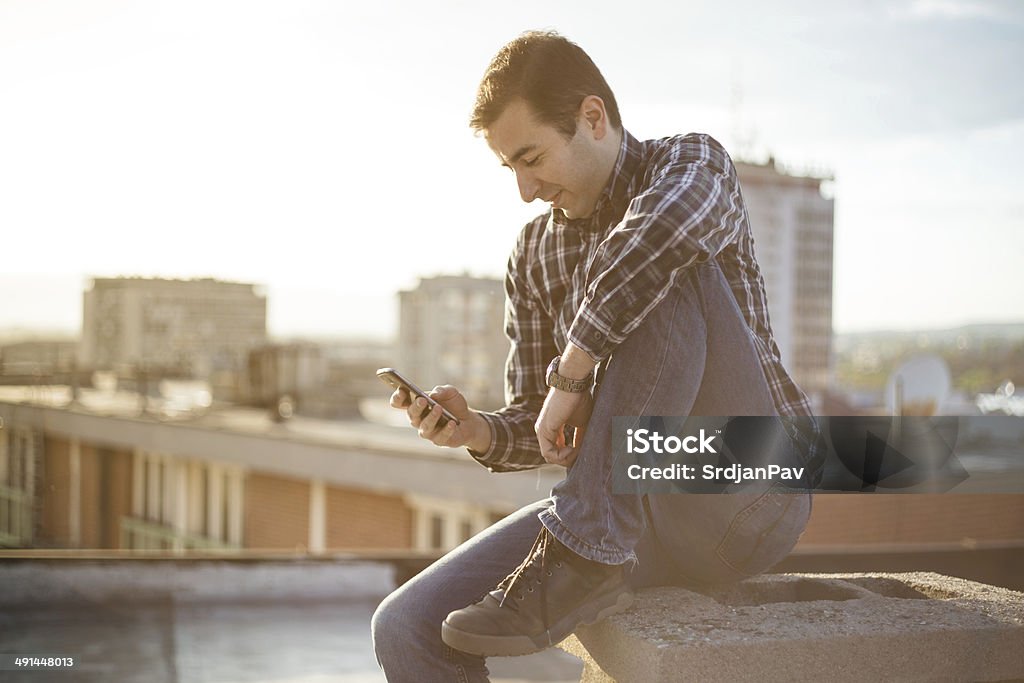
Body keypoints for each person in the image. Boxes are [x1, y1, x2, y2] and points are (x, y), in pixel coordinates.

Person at [372, 30, 824, 682]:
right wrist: (479, 429)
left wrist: (575, 364)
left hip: (747, 484)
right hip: (628, 523)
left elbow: (661, 237)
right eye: (511, 169)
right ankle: (586, 552)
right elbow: (546, 423)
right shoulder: (533, 254)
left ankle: (584, 552)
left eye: (533, 158)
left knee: (661, 259)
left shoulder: (691, 163)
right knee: (405, 623)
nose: (525, 190)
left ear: (592, 117)